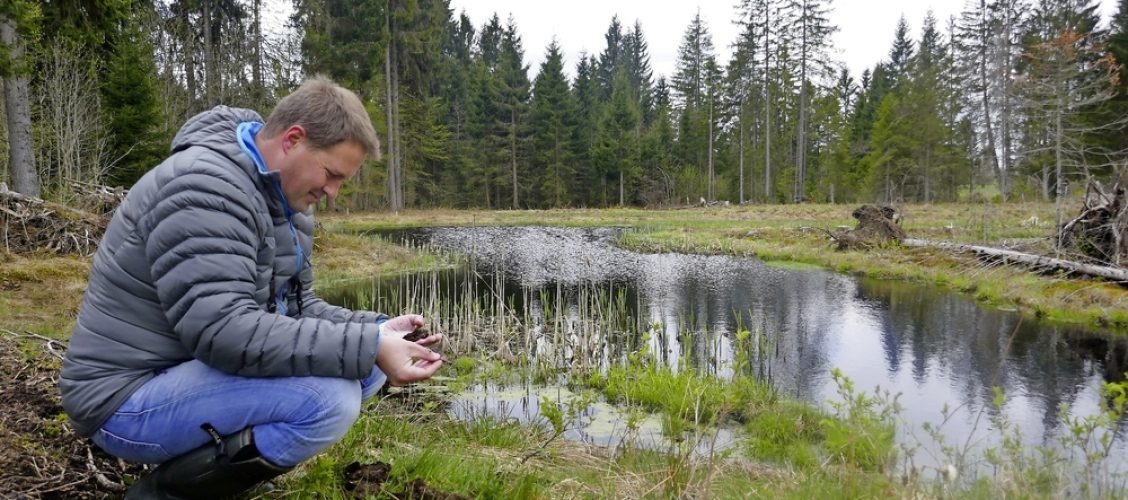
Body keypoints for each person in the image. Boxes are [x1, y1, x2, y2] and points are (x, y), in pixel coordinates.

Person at [59, 76, 443, 499]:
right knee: (329, 398)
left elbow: (297, 308)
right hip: (123, 398)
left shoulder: (282, 199)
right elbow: (223, 332)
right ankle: (163, 494)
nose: (333, 193)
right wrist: (366, 343)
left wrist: (379, 329)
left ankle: (222, 467)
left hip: (180, 373)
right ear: (293, 139)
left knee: (364, 367)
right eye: (331, 174)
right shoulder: (203, 187)